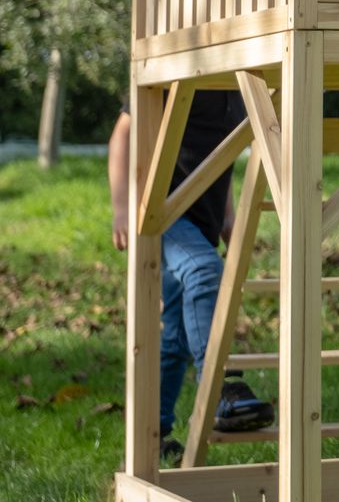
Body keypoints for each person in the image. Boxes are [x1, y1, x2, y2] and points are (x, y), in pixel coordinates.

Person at [109, 94, 274, 465]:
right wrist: (121, 206)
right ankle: (222, 387)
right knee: (204, 271)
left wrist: (228, 218)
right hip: (160, 212)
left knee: (175, 337)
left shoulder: (236, 91)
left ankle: (153, 436)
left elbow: (221, 160)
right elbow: (123, 133)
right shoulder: (176, 81)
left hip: (203, 224)